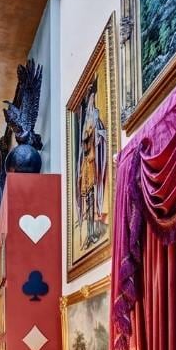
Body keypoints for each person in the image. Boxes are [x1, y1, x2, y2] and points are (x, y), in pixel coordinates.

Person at [76, 80, 107, 250]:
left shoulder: (95, 116)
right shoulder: (88, 120)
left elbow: (95, 135)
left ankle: (94, 231)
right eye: (89, 97)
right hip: (87, 165)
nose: (91, 100)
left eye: (92, 97)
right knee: (88, 199)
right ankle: (89, 232)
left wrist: (96, 135)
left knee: (94, 199)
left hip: (93, 163)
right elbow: (84, 141)